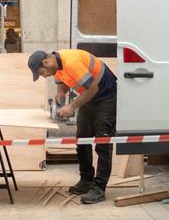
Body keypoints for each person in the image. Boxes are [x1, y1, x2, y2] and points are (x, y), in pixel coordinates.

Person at [28, 49, 117, 204]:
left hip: (105, 96)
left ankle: (99, 188)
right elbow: (61, 83)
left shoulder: (72, 63)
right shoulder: (56, 66)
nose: (44, 76)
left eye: (42, 73)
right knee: (82, 139)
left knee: (103, 144)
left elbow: (93, 88)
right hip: (89, 96)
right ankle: (86, 180)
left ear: (46, 62)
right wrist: (61, 93)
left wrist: (72, 106)